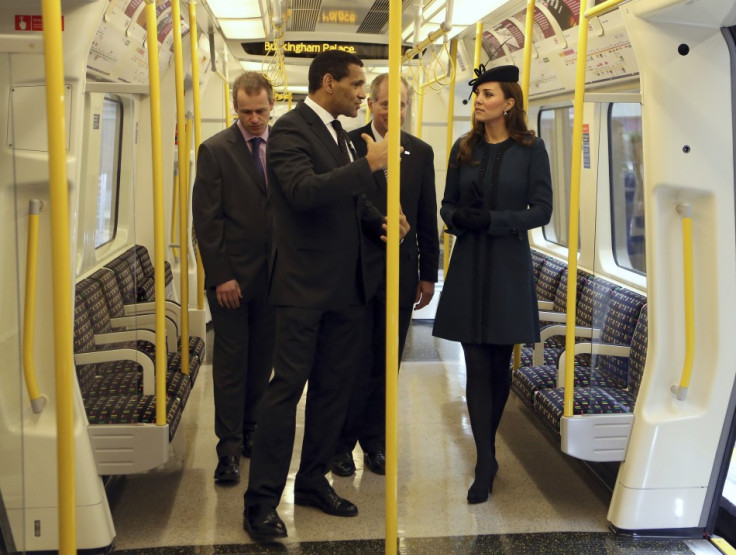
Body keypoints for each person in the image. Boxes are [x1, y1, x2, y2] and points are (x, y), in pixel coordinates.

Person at [243, 50, 405, 540]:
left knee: (334, 390)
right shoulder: (292, 129)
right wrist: (370, 165)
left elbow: (345, 201)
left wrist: (378, 219)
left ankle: (312, 479)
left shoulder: (338, 134)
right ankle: (260, 503)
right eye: (357, 86)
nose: (362, 94)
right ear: (329, 83)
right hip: (302, 288)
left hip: (345, 288)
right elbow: (302, 191)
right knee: (285, 392)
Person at [432, 64, 553, 504]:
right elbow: (446, 205)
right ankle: (485, 460)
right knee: (476, 365)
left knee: (498, 366)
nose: (478, 100)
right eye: (477, 94)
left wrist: (495, 220)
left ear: (509, 102)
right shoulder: (464, 147)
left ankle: (487, 450)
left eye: (486, 93)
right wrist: (458, 219)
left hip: (506, 264)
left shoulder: (531, 150)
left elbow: (542, 211)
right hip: (468, 264)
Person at [331, 74, 439, 478]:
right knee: (351, 361)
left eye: (403, 104)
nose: (395, 112)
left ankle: (374, 441)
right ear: (371, 105)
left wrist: (428, 273)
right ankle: (340, 444)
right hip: (356, 269)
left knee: (386, 360)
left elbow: (426, 214)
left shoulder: (421, 151)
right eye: (386, 104)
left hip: (400, 270)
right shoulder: (348, 144)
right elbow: (342, 206)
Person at [192, 72, 276, 486]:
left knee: (262, 362)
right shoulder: (215, 150)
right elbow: (206, 221)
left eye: (261, 111)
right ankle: (227, 449)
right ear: (235, 108)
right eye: (246, 112)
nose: (255, 119)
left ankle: (251, 431)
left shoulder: (283, 147)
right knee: (230, 365)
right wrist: (221, 275)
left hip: (274, 279)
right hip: (231, 279)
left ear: (272, 105)